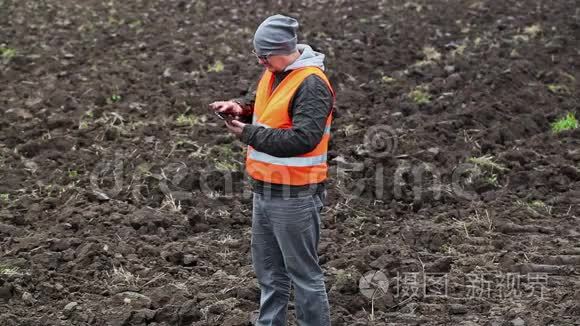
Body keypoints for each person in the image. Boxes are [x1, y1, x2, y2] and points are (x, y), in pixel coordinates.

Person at [210, 14, 335, 326]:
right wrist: (241, 108)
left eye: (262, 57)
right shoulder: (277, 73)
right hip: (265, 191)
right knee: (270, 275)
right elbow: (269, 109)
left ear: (280, 50)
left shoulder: (312, 84)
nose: (260, 63)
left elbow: (304, 138)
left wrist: (248, 133)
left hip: (294, 196)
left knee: (304, 277)